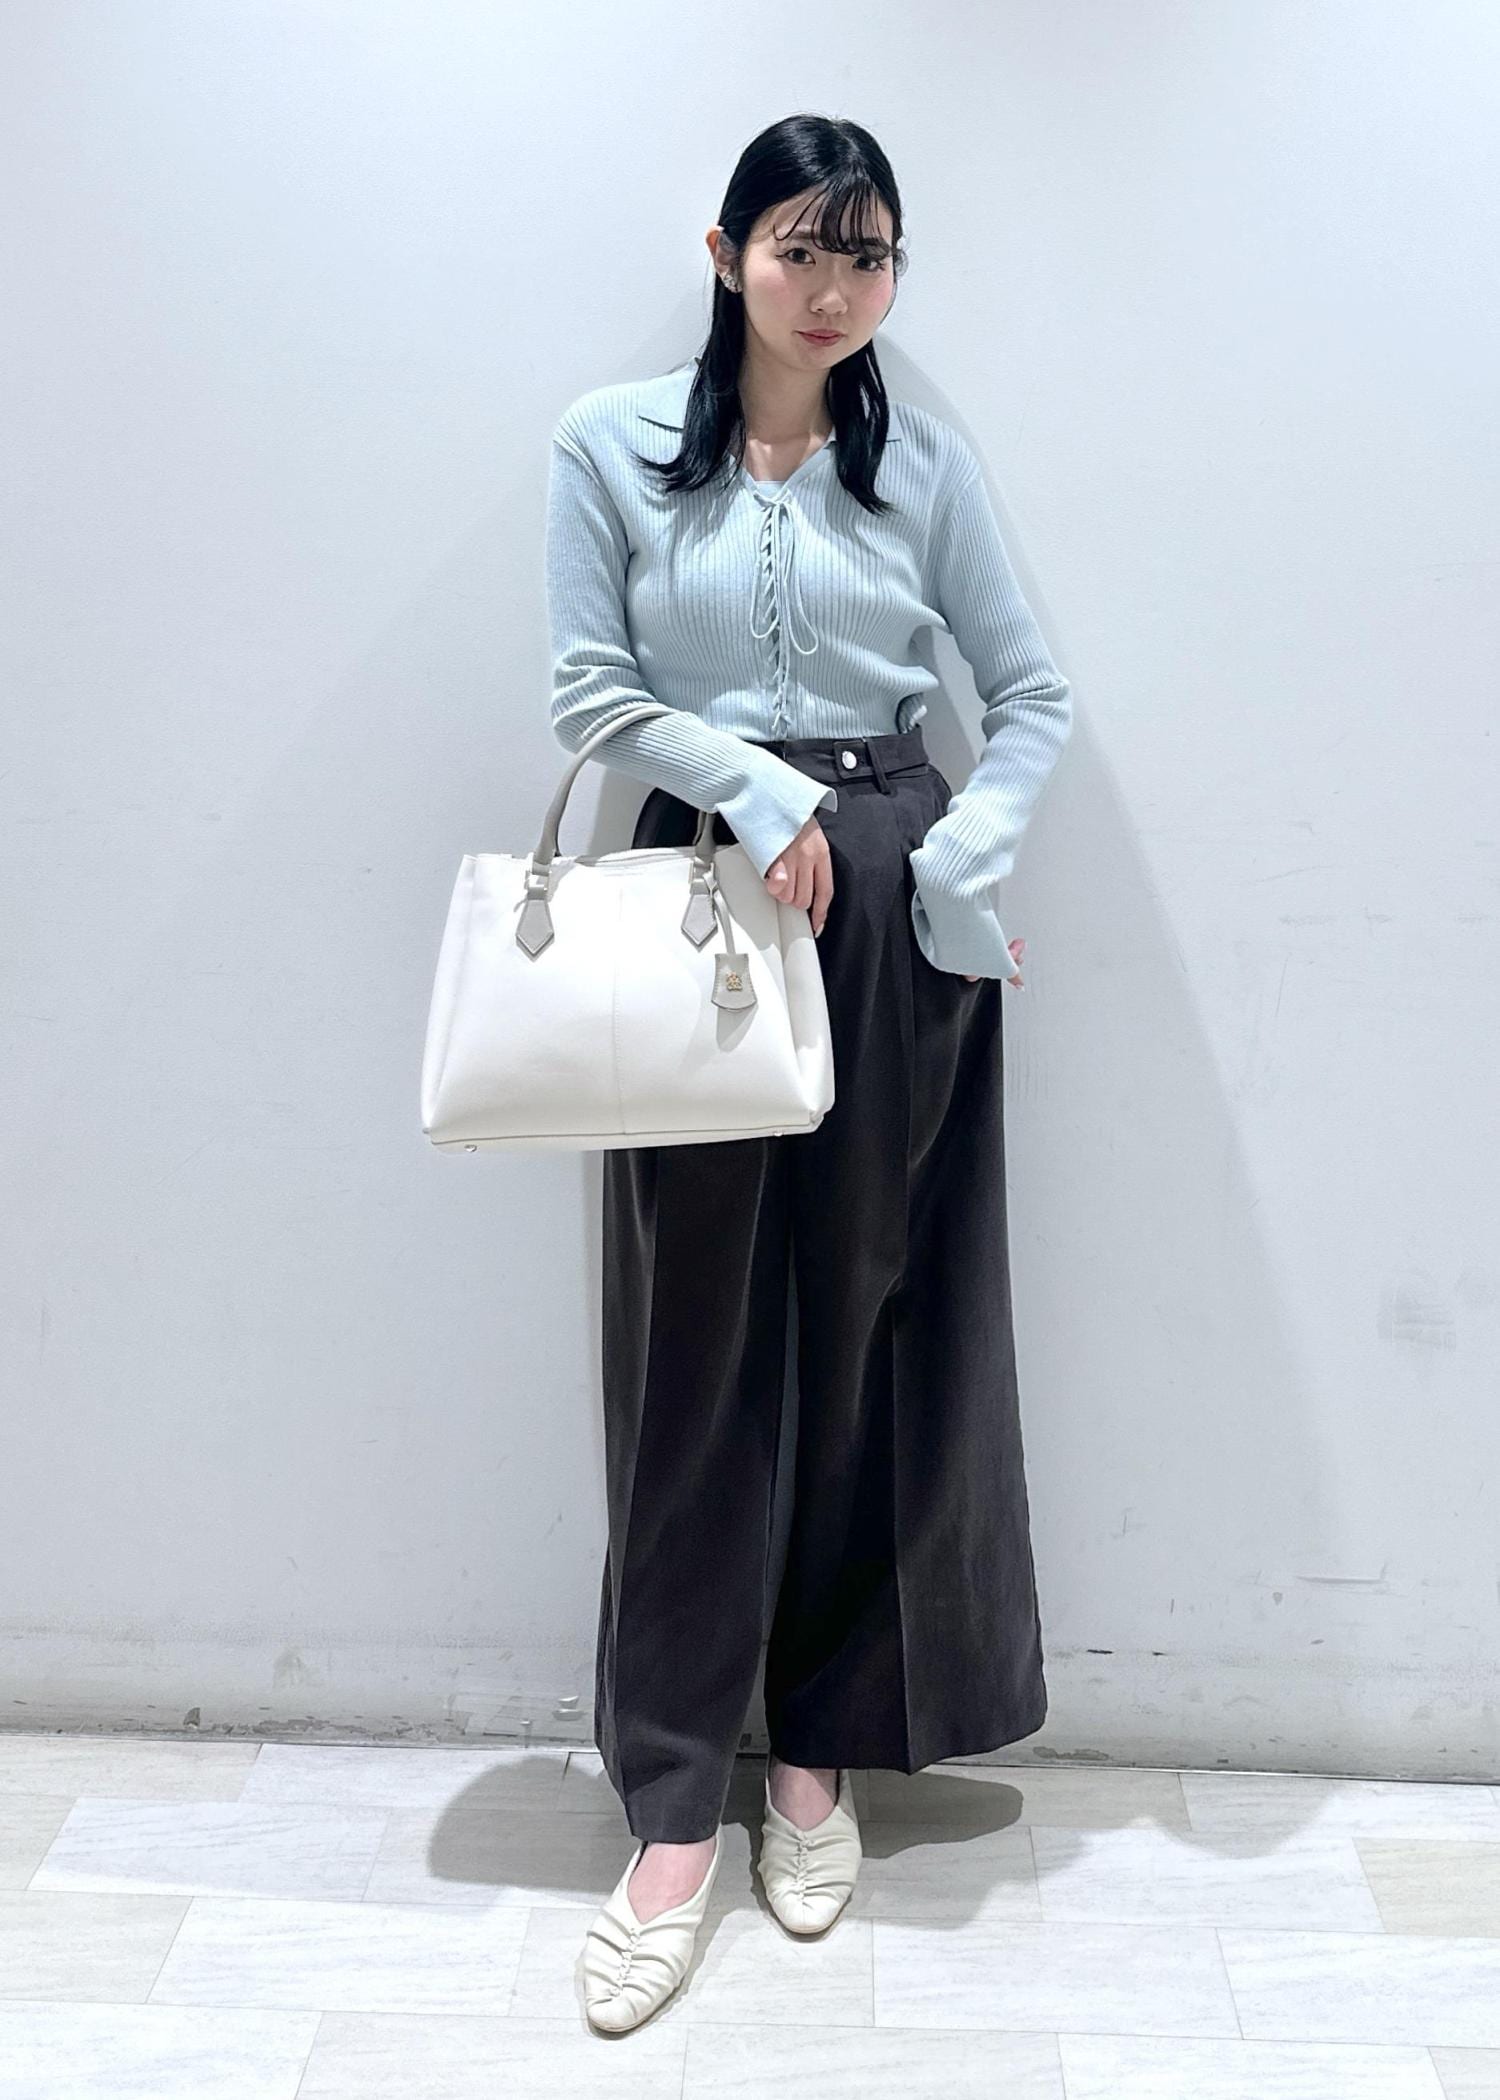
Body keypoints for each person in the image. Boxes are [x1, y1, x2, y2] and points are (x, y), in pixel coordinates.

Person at [543, 111, 1072, 2032]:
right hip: (696, 899)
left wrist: (953, 869)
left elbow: (1031, 697)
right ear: (725, 254)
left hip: (888, 918)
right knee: (694, 1350)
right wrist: (763, 794)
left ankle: (817, 1756)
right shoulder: (609, 444)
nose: (834, 287)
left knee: (863, 1330)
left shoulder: (919, 464)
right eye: (799, 246)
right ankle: (671, 1801)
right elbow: (591, 689)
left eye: (868, 254)